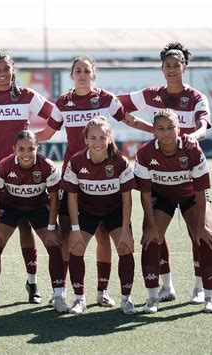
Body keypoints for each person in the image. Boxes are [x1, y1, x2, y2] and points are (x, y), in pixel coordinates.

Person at [36, 55, 152, 308]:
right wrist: (23, 142)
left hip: (106, 178)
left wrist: (156, 130)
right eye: (77, 71)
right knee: (69, 236)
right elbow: (47, 132)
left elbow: (128, 120)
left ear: (93, 74)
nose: (82, 75)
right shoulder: (63, 102)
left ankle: (103, 291)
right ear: (71, 75)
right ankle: (63, 294)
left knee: (103, 237)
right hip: (74, 177)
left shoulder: (107, 99)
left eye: (86, 70)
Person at [119, 42, 212, 303]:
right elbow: (117, 105)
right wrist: (146, 127)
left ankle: (199, 288)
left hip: (189, 179)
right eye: (167, 65)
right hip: (161, 182)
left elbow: (203, 126)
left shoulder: (195, 97)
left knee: (201, 234)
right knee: (153, 235)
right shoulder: (150, 95)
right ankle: (167, 285)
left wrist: (192, 135)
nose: (172, 69)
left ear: (185, 66)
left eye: (177, 65)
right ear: (162, 69)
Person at [0, 52, 55, 304]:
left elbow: (55, 115)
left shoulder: (26, 95)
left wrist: (37, 138)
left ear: (13, 69)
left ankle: (32, 283)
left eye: (6, 68)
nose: (2, 73)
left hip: (23, 168)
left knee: (26, 224)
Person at [134, 109, 212, 314]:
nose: (166, 133)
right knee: (150, 239)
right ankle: (153, 298)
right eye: (161, 128)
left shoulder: (193, 150)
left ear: (179, 129)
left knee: (205, 237)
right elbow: (145, 194)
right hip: (162, 197)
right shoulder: (145, 153)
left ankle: (207, 295)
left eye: (171, 127)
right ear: (153, 130)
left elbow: (200, 191)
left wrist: (200, 226)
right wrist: (151, 226)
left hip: (191, 196)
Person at [0, 130, 67, 314]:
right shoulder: (4, 165)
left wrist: (52, 226)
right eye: (21, 149)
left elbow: (53, 197)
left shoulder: (47, 165)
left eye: (30, 149)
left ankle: (59, 296)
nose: (26, 153)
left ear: (37, 148)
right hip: (10, 206)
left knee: (54, 242)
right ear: (14, 149)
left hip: (38, 206)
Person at [63, 117, 137, 315]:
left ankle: (125, 299)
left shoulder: (120, 161)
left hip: (114, 211)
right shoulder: (76, 161)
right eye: (93, 138)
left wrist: (125, 230)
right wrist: (76, 229)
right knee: (76, 247)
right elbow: (71, 198)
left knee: (125, 246)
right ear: (85, 140)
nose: (98, 142)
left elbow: (127, 200)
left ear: (109, 138)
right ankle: (79, 299)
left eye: (102, 137)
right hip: (87, 211)